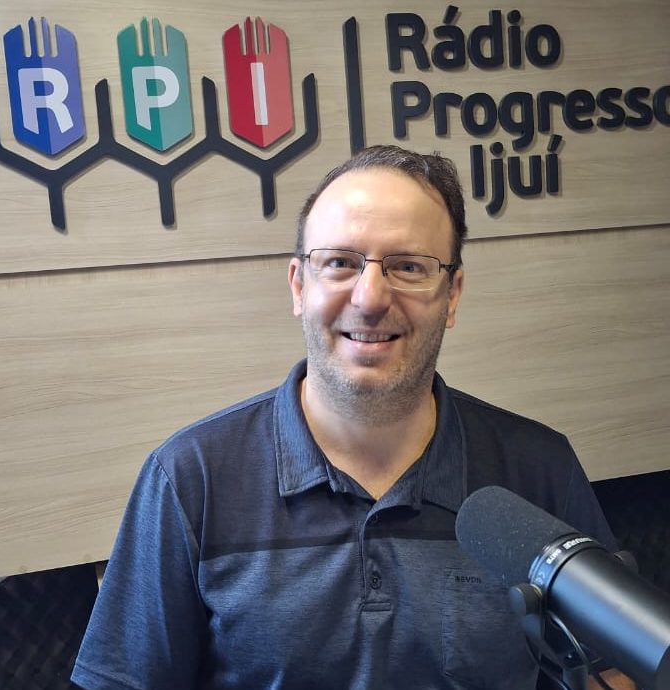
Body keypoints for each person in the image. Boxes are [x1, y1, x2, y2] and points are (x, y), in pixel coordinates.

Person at [71, 145, 631, 690]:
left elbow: (610, 671)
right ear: (299, 285)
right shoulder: (189, 478)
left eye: (408, 266)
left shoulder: (539, 469)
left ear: (452, 294)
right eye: (340, 262)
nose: (370, 298)